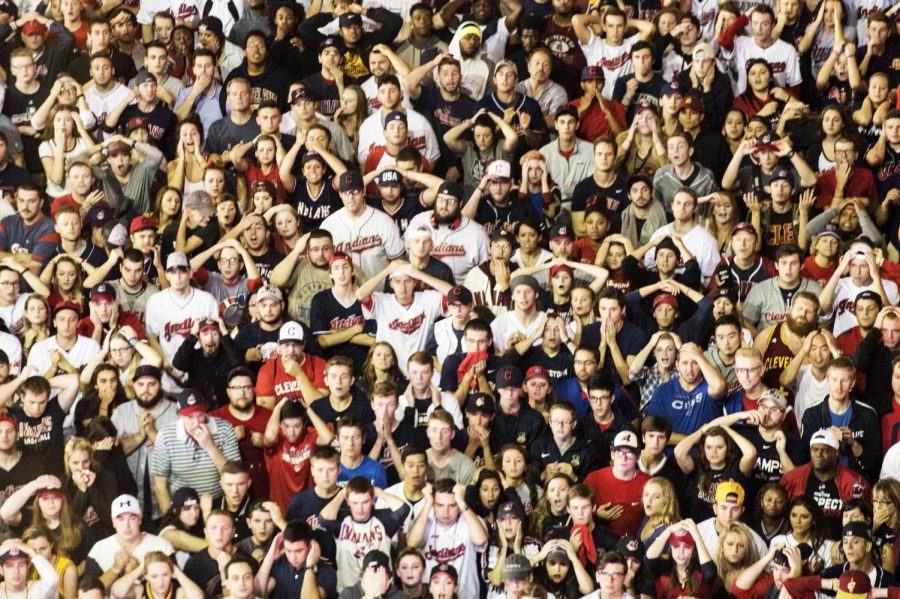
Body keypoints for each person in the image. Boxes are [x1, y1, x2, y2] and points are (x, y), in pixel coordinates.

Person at [150, 388, 242, 511]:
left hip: (218, 504)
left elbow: (235, 476)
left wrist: (210, 446)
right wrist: (170, 519)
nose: (196, 422)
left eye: (200, 415)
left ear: (206, 412)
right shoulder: (165, 436)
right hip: (182, 507)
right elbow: (160, 486)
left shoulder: (224, 428)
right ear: (180, 415)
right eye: (189, 417)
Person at [407, 479, 489, 599]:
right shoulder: (426, 520)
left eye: (452, 505)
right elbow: (412, 543)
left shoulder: (470, 519)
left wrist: (461, 501)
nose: (446, 512)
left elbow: (481, 540)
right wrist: (428, 503)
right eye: (440, 505)